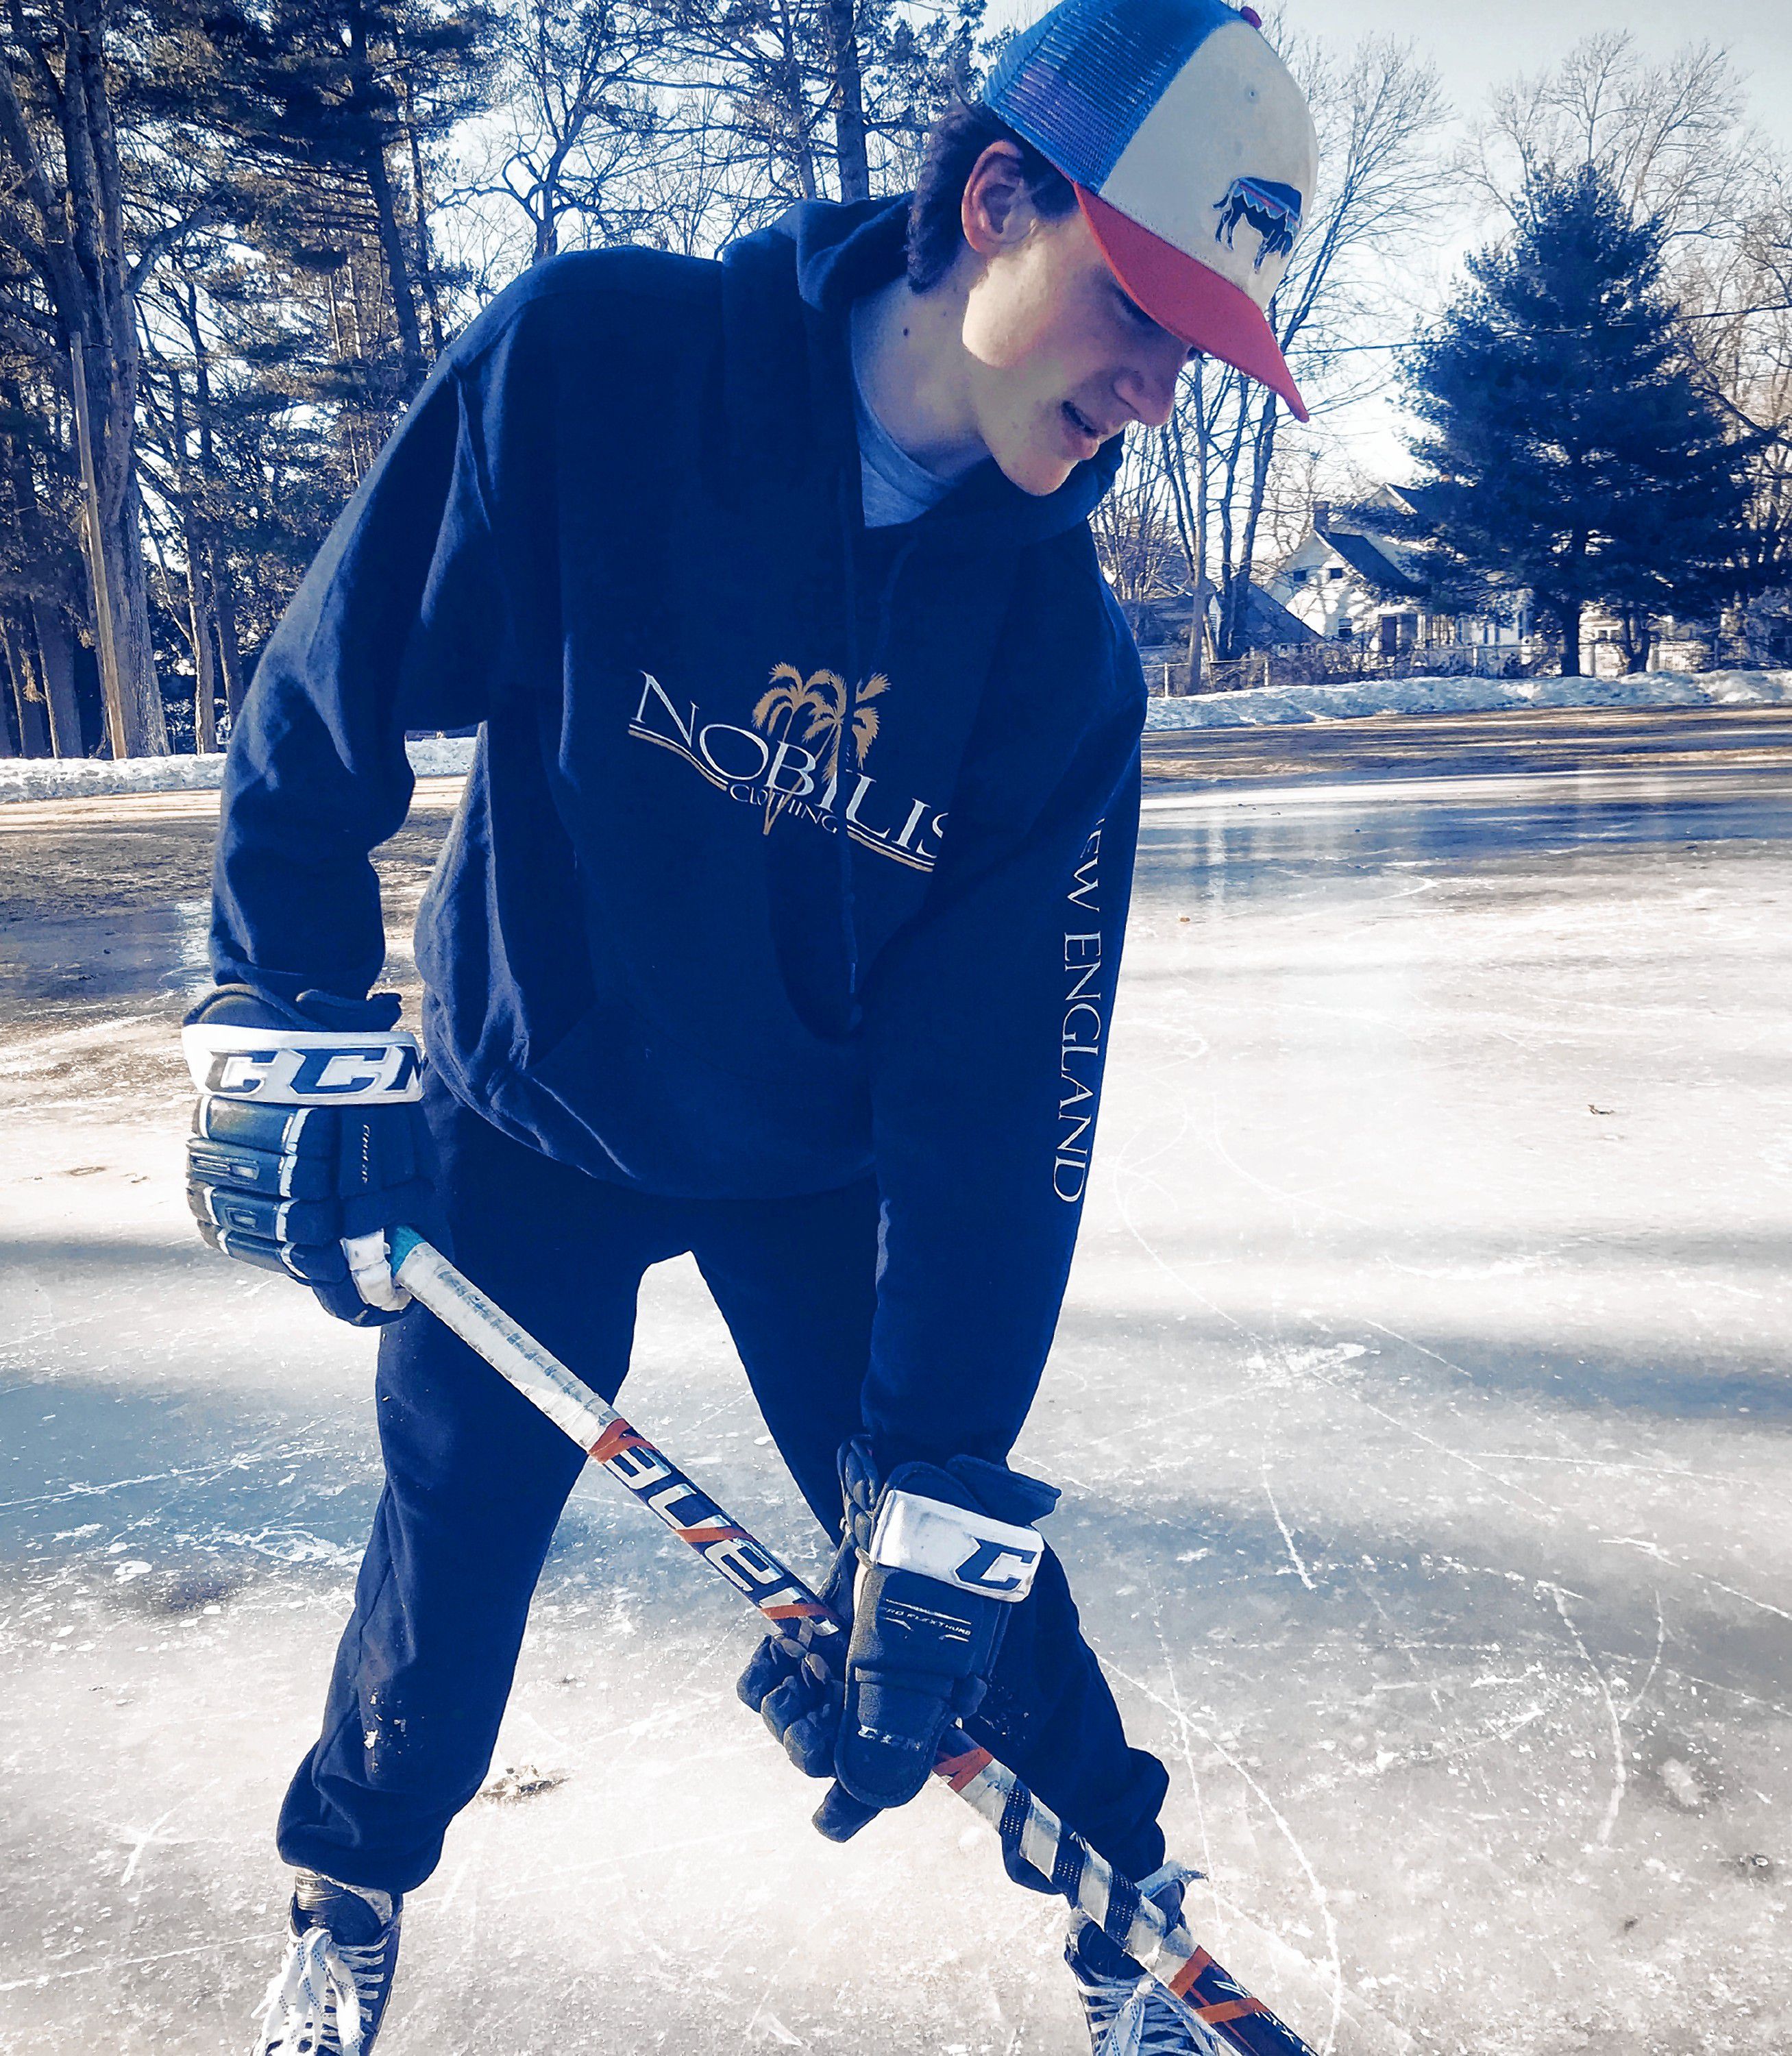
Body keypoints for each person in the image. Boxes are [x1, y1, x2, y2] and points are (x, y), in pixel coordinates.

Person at [180, 1, 1316, 2048]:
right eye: (1143, 307)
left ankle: (1127, 1915)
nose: (1159, 387)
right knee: (450, 1535)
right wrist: (281, 991)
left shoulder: (1057, 667)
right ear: (995, 203)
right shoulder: (599, 366)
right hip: (527, 1099)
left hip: (818, 1159)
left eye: (1204, 351)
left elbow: (1003, 1109)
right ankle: (348, 1884)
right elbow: (329, 690)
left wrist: (940, 1485)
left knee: (957, 1564)